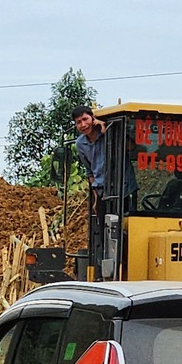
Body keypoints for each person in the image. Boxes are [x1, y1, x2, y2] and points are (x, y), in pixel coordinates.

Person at [73, 110, 108, 273]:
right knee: (103, 232)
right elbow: (90, 173)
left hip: (122, 189)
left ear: (93, 119)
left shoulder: (108, 134)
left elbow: (131, 147)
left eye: (85, 119)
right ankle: (105, 268)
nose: (83, 125)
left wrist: (105, 130)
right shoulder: (80, 144)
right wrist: (96, 197)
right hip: (101, 191)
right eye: (78, 122)